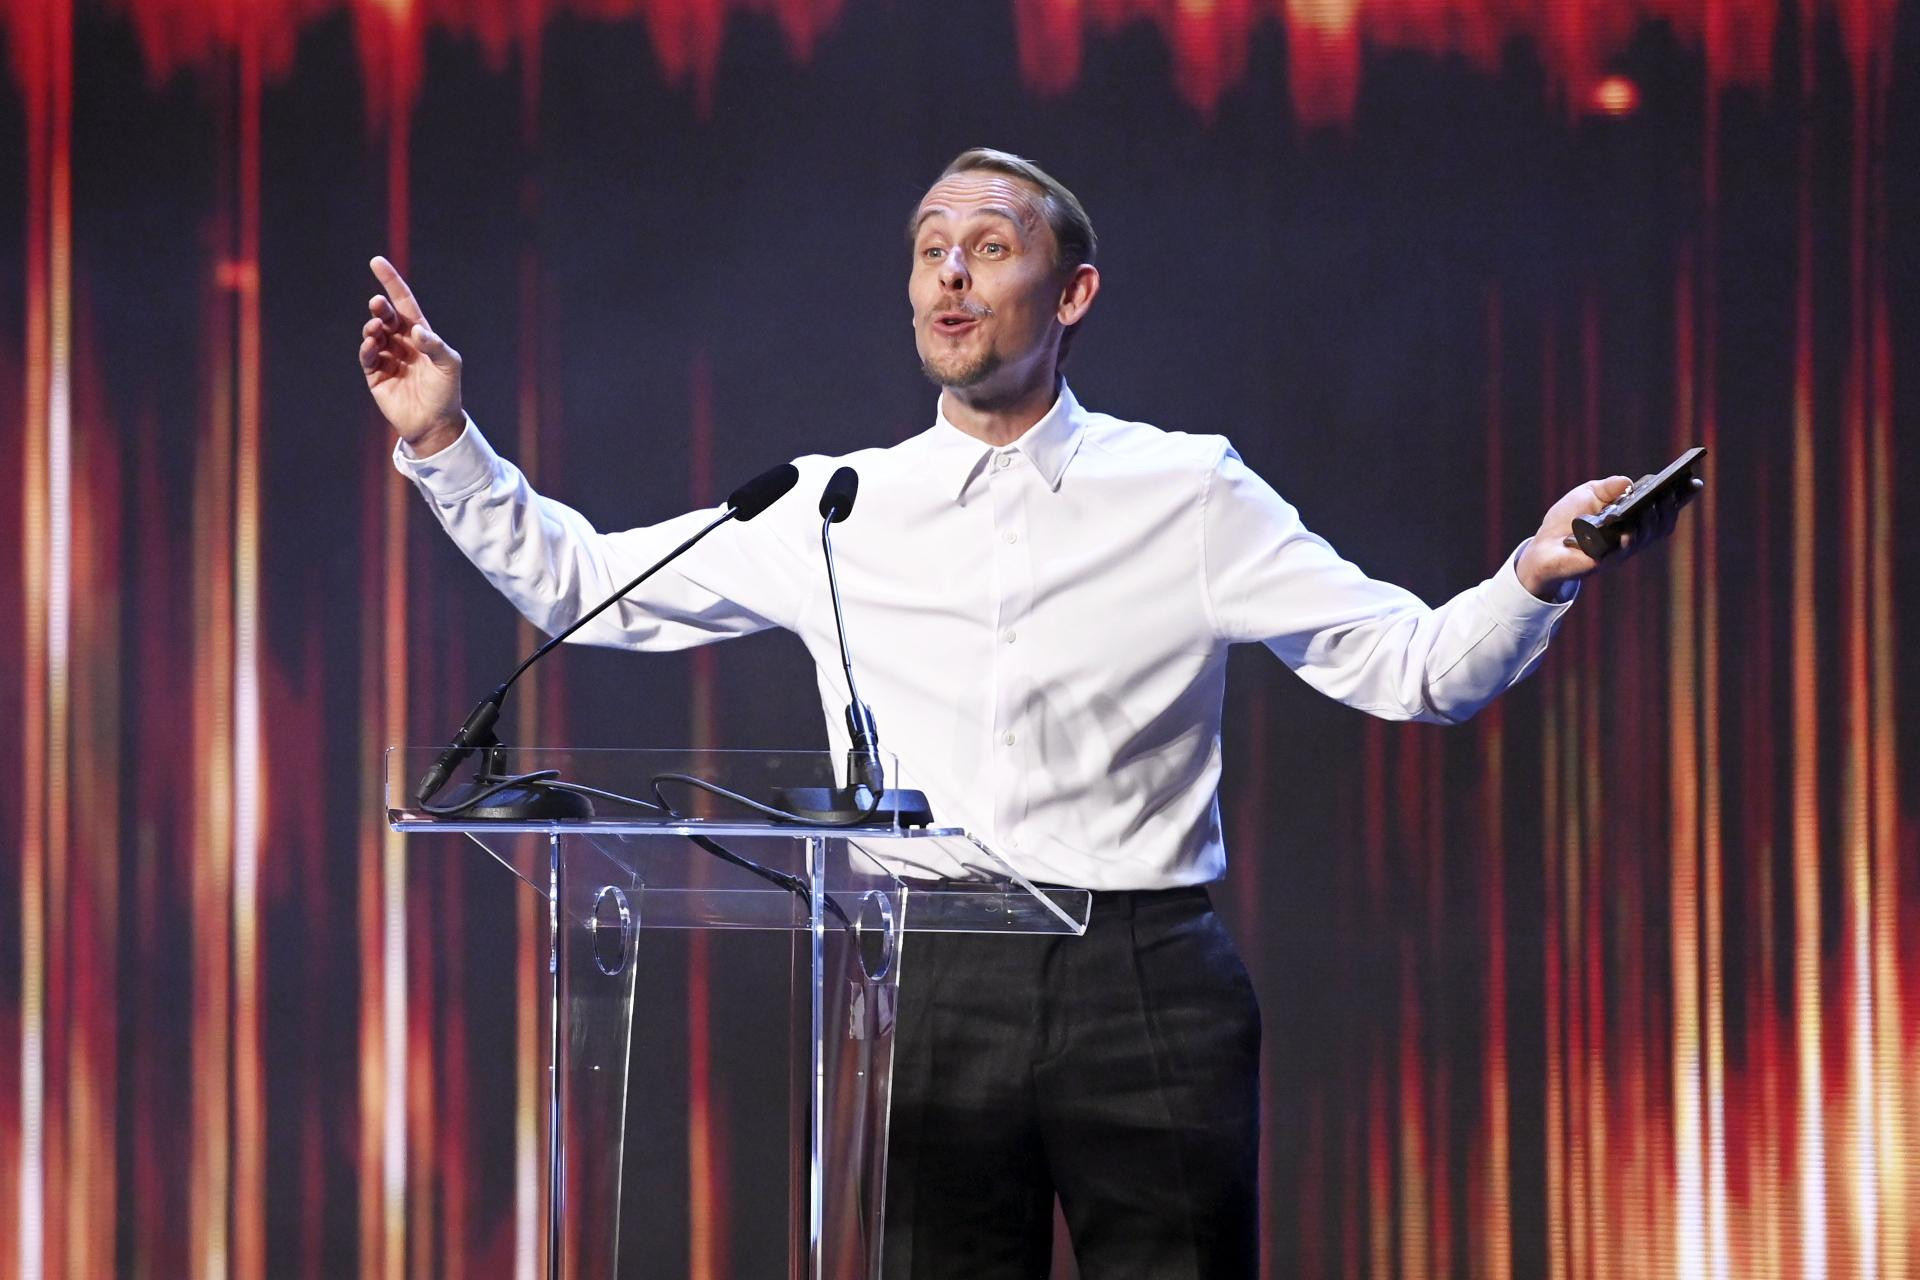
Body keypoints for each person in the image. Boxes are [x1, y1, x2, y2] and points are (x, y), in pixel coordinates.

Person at [360, 148, 1685, 1278]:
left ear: (1072, 292)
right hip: (924, 977)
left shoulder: (1188, 491)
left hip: (1143, 979)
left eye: (990, 248)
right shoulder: (833, 505)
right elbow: (582, 584)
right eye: (930, 249)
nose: (951, 274)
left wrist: (1532, 576)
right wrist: (442, 440)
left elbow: (1411, 669)